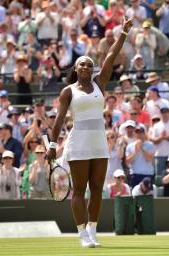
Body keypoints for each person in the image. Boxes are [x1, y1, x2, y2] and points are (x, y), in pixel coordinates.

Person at [46, 18, 133, 248]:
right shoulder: (68, 91)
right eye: (82, 64)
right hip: (78, 142)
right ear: (76, 68)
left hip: (99, 142)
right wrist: (52, 145)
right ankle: (82, 233)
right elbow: (59, 120)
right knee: (79, 190)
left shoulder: (99, 83)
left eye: (89, 64)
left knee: (96, 190)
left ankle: (93, 231)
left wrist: (123, 32)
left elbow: (111, 55)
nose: (86, 66)